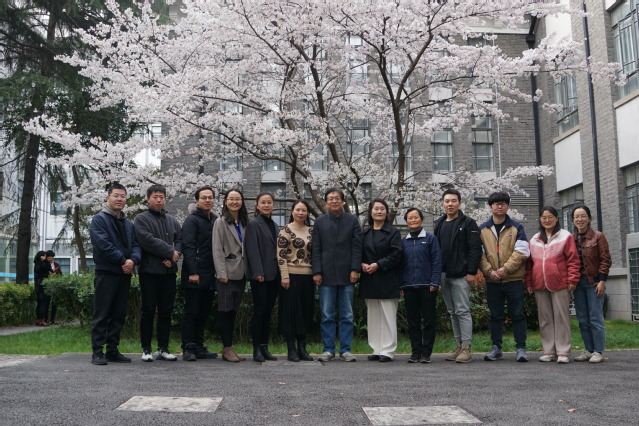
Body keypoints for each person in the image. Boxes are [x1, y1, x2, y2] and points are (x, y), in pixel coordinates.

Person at [89, 183, 141, 365]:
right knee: (102, 313)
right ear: (108, 198)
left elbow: (136, 245)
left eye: (123, 196)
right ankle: (97, 352)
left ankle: (112, 350)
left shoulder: (128, 224)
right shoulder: (99, 220)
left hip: (125, 274)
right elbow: (103, 245)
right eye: (116, 195)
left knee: (119, 314)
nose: (119, 199)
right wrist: (123, 260)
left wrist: (133, 260)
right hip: (106, 273)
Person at [478, 192, 530, 362]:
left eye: (503, 203)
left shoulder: (516, 228)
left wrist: (506, 270)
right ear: (490, 206)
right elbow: (479, 253)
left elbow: (522, 251)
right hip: (492, 280)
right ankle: (496, 348)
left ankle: (520, 348)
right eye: (496, 203)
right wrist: (489, 271)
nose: (499, 206)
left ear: (508, 206)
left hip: (513, 279)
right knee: (495, 315)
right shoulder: (483, 229)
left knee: (517, 314)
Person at [312, 188, 362, 362]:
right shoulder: (319, 222)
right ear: (326, 202)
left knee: (347, 314)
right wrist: (317, 271)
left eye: (337, 198)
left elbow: (357, 247)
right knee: (327, 314)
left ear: (343, 201)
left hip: (347, 274)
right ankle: (328, 349)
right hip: (325, 275)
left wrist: (355, 269)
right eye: (330, 198)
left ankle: (345, 349)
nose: (334, 201)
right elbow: (316, 248)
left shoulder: (352, 220)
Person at [525, 206, 580, 364]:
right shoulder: (534, 239)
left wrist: (572, 279)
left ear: (556, 218)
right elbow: (529, 265)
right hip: (539, 284)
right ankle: (549, 350)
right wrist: (529, 282)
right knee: (545, 319)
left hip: (560, 283)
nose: (547, 220)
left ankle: (563, 351)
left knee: (561, 317)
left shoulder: (565, 236)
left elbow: (573, 260)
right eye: (544, 217)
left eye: (550, 217)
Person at [433, 188, 482, 363]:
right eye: (447, 201)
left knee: (462, 311)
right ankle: (459, 345)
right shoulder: (439, 223)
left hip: (461, 275)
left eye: (453, 201)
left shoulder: (468, 223)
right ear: (442, 204)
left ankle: (467, 348)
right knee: (452, 312)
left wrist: (471, 271)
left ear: (459, 203)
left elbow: (475, 249)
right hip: (444, 274)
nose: (450, 204)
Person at [134, 184, 182, 362]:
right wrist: (169, 252)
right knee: (148, 311)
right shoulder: (141, 219)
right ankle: (146, 349)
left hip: (169, 272)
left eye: (162, 197)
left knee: (166, 312)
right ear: (148, 198)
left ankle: (163, 348)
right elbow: (147, 240)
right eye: (155, 197)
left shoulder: (171, 220)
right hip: (149, 272)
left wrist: (174, 257)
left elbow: (180, 240)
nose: (159, 200)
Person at [360, 198, 403, 363]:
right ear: (370, 212)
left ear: (386, 212)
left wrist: (378, 264)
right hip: (369, 278)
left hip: (387, 278)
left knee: (388, 316)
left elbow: (397, 254)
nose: (379, 211)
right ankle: (376, 348)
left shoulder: (393, 232)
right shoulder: (364, 234)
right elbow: (358, 253)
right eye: (376, 208)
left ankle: (388, 350)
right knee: (373, 316)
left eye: (382, 209)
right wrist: (361, 264)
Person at [180, 186, 219, 361]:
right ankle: (188, 347)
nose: (207, 200)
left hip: (210, 273)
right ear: (197, 201)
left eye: (210, 197)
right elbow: (188, 246)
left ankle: (199, 346)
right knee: (191, 312)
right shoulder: (191, 220)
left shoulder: (215, 220)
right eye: (204, 197)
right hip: (194, 274)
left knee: (203, 312)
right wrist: (193, 271)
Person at [401, 207, 442, 364]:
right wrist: (401, 285)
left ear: (421, 219)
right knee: (413, 322)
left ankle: (426, 353)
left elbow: (437, 261)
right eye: (410, 218)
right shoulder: (403, 242)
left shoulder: (430, 239)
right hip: (409, 286)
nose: (413, 220)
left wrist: (434, 282)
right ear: (406, 221)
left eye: (416, 217)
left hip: (427, 286)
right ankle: (415, 352)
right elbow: (400, 265)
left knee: (429, 321)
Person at [212, 189, 249, 362]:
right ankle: (227, 348)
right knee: (225, 311)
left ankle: (229, 347)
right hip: (226, 273)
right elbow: (217, 249)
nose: (235, 202)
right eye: (231, 199)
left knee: (233, 311)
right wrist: (221, 273)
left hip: (241, 272)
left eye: (238, 199)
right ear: (225, 201)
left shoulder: (244, 222)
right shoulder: (220, 222)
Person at [572, 206, 612, 364]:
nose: (580, 219)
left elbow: (605, 260)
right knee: (582, 318)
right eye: (576, 217)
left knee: (596, 318)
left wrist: (602, 281)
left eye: (583, 216)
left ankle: (598, 351)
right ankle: (588, 349)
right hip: (578, 284)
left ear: (589, 218)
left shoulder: (598, 236)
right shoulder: (571, 239)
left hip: (594, 282)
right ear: (573, 220)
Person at [277, 200, 316, 362]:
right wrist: (284, 275)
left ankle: (302, 348)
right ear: (292, 211)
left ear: (307, 213)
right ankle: (291, 349)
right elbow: (281, 255)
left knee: (305, 312)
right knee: (290, 313)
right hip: (290, 276)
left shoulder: (312, 231)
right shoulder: (285, 230)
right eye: (298, 210)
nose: (300, 213)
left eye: (304, 210)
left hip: (308, 277)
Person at [245, 192, 280, 362]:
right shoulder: (253, 224)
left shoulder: (275, 224)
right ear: (257, 205)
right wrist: (258, 272)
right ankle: (256, 348)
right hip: (260, 275)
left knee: (268, 312)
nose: (266, 205)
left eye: (269, 202)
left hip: (274, 274)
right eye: (263, 202)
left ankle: (265, 347)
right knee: (259, 311)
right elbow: (252, 250)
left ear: (273, 205)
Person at [33, 251, 51, 327]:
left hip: (39, 285)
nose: (45, 257)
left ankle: (39, 319)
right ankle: (41, 319)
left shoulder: (38, 264)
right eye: (44, 256)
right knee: (42, 303)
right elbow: (48, 268)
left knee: (40, 303)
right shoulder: (39, 264)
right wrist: (46, 261)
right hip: (41, 286)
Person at [45, 250, 62, 325]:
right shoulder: (44, 264)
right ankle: (46, 320)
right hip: (47, 285)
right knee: (46, 303)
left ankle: (52, 319)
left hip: (54, 285)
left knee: (54, 303)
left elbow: (60, 274)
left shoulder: (56, 264)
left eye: (52, 257)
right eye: (49, 256)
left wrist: (56, 275)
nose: (51, 258)